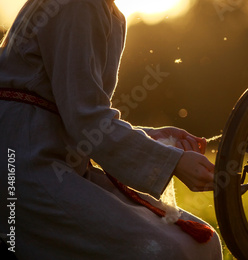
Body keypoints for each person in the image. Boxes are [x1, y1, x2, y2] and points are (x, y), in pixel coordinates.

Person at [0, 0, 222, 259]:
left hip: (57, 164)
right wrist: (171, 161)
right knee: (164, 253)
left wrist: (150, 137)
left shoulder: (106, 11)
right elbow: (85, 119)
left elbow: (76, 113)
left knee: (200, 243)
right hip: (23, 169)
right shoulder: (79, 5)